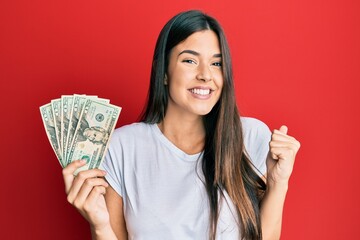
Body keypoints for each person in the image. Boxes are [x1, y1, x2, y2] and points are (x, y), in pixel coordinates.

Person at [62, 10, 300, 240]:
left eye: (216, 64)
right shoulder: (121, 147)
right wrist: (100, 225)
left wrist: (279, 182)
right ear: (163, 72)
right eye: (190, 60)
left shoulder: (252, 136)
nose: (206, 75)